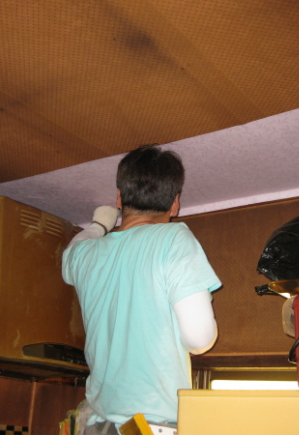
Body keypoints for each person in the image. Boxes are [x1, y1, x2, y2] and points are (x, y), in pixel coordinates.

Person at [62, 145, 222, 435]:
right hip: (150, 425)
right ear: (175, 203)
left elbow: (73, 249)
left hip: (98, 425)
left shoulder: (85, 254)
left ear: (119, 198)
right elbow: (199, 338)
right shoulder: (175, 238)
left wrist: (100, 224)